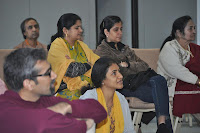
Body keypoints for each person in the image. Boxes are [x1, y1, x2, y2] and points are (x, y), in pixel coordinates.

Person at [95, 16, 173, 133]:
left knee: (159, 80)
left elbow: (144, 66)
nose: (120, 33)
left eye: (121, 29)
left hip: (137, 83)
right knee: (161, 92)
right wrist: (126, 67)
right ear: (106, 32)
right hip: (123, 87)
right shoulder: (102, 50)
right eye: (116, 30)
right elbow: (116, 72)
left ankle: (162, 126)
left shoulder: (125, 48)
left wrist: (128, 65)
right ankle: (164, 127)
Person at [0, 48, 107, 133]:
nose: (55, 75)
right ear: (29, 83)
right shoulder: (4, 108)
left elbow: (99, 110)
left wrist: (67, 107)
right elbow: (42, 124)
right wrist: (82, 124)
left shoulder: (43, 100)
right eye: (48, 73)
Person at [47, 13, 99, 100]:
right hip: (65, 92)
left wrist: (76, 64)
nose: (81, 30)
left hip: (87, 90)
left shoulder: (82, 45)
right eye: (76, 28)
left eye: (80, 27)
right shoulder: (57, 45)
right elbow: (70, 70)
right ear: (65, 30)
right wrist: (88, 65)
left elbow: (99, 66)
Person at [157, 15, 200, 118]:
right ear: (179, 33)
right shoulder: (169, 47)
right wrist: (198, 81)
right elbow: (178, 71)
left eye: (194, 28)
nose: (194, 31)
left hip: (190, 83)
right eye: (190, 28)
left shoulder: (194, 48)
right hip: (173, 86)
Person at [80, 57, 135, 133]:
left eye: (119, 71)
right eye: (114, 73)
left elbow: (129, 130)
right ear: (102, 80)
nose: (121, 76)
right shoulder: (89, 100)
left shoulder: (121, 99)